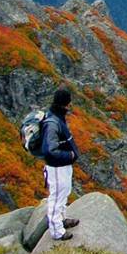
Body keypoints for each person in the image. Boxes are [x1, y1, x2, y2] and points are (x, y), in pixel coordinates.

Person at [42, 88, 81, 241]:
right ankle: (57, 231)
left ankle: (62, 220)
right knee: (57, 196)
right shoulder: (52, 123)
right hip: (56, 166)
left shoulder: (57, 116)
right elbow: (50, 150)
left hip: (63, 166)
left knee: (64, 193)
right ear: (66, 102)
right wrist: (69, 155)